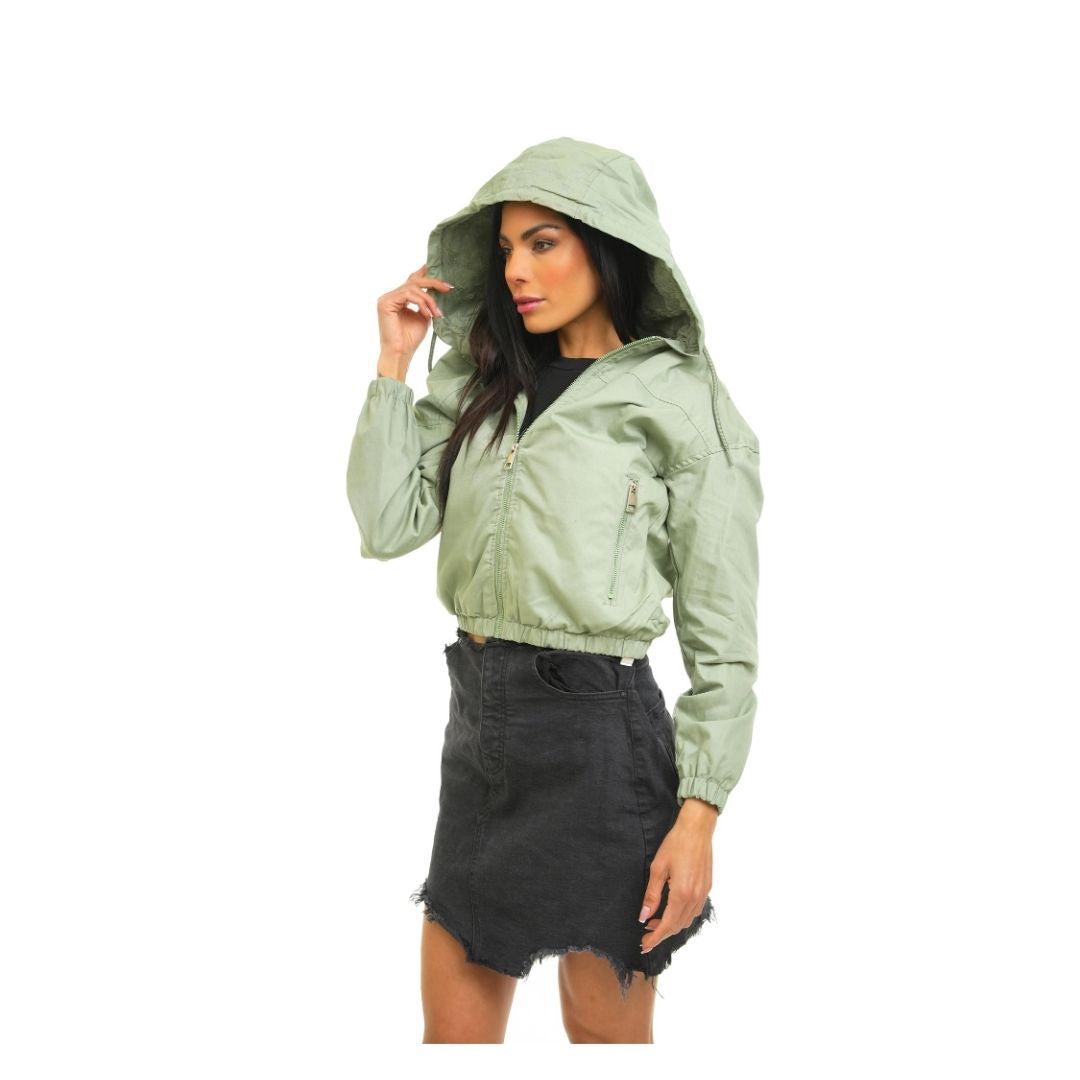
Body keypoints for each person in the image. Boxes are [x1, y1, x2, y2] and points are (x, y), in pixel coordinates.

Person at [345, 136, 763, 1043]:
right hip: (480, 735)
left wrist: (700, 814)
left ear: (606, 245)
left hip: (602, 746)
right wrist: (393, 365)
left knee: (606, 1045)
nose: (517, 271)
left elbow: (723, 633)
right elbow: (386, 524)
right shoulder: (481, 378)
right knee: (452, 1045)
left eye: (543, 243)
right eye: (506, 249)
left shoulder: (679, 400)